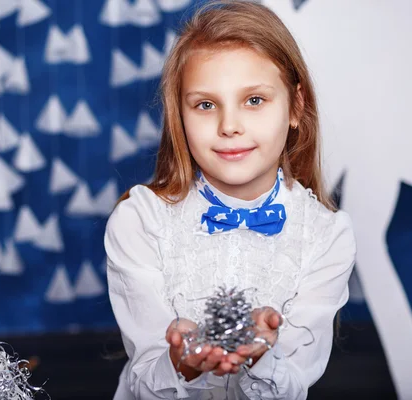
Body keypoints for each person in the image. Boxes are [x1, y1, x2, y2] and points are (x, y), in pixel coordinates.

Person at [104, 1, 356, 398]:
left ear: (296, 106)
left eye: (254, 100)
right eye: (206, 105)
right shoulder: (140, 221)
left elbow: (292, 384)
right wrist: (179, 362)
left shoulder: (327, 235)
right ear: (179, 118)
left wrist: (263, 357)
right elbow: (144, 380)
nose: (229, 126)